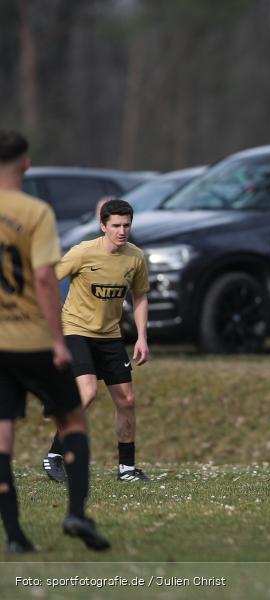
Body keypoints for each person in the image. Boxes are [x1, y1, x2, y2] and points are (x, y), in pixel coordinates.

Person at [0, 129, 109, 551]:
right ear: (26, 165)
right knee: (73, 420)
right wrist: (58, 339)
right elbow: (45, 277)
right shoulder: (36, 212)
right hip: (32, 340)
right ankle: (76, 513)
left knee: (3, 439)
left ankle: (14, 537)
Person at [42, 198, 151, 482]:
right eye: (115, 225)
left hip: (110, 335)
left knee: (127, 400)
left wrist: (142, 337)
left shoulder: (135, 257)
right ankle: (55, 454)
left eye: (126, 225)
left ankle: (127, 469)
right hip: (75, 329)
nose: (121, 231)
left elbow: (140, 296)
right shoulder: (82, 252)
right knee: (88, 392)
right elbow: (48, 280)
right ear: (103, 225)